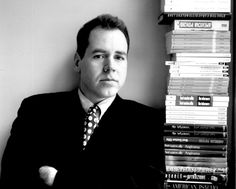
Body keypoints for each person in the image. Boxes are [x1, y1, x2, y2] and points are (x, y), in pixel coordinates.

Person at [0, 14, 166, 189]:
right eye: (99, 56)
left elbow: (146, 186)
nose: (111, 66)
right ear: (78, 62)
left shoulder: (148, 122)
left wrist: (59, 180)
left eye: (119, 57)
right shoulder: (36, 110)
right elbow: (13, 181)